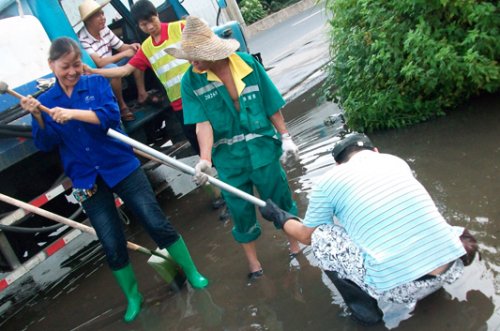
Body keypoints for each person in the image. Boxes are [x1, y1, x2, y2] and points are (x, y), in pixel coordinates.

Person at [20, 37, 208, 323]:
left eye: (75, 65)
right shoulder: (46, 102)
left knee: (154, 220)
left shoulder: (94, 84)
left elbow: (109, 117)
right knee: (110, 241)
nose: (71, 72)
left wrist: (72, 113)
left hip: (120, 166)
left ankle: (192, 272)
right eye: (64, 67)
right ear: (51, 66)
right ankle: (134, 297)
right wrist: (39, 116)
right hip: (86, 179)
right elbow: (45, 143)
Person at [259, 132, 468, 328]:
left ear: (337, 164)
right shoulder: (396, 162)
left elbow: (306, 236)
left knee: (323, 237)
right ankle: (433, 291)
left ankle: (367, 316)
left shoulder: (328, 181)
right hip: (452, 267)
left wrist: (279, 215)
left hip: (402, 289)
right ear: (375, 151)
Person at [164, 16, 301, 279]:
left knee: (280, 198)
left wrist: (285, 136)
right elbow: (202, 124)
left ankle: (294, 245)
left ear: (210, 52)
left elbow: (271, 103)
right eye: (189, 56)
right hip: (229, 159)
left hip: (262, 148)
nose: (191, 62)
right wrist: (205, 159)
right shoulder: (191, 81)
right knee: (239, 209)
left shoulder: (248, 65)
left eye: (196, 55)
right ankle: (254, 264)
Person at [85, 0, 227, 215]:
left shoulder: (180, 29)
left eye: (151, 21)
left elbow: (209, 44)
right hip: (182, 108)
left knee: (221, 144)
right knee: (202, 154)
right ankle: (222, 196)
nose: (149, 27)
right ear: (138, 27)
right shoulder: (147, 48)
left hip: (203, 98)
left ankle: (234, 189)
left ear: (156, 15)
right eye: (143, 25)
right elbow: (124, 71)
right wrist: (93, 72)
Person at [78, 0, 148, 121]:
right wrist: (125, 53)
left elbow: (121, 46)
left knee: (137, 55)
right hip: (99, 73)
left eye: (102, 14)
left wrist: (132, 47)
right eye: (98, 15)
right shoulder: (82, 39)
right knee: (113, 69)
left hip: (113, 65)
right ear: (88, 20)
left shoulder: (104, 29)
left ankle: (142, 94)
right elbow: (99, 63)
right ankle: (122, 106)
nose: (103, 18)